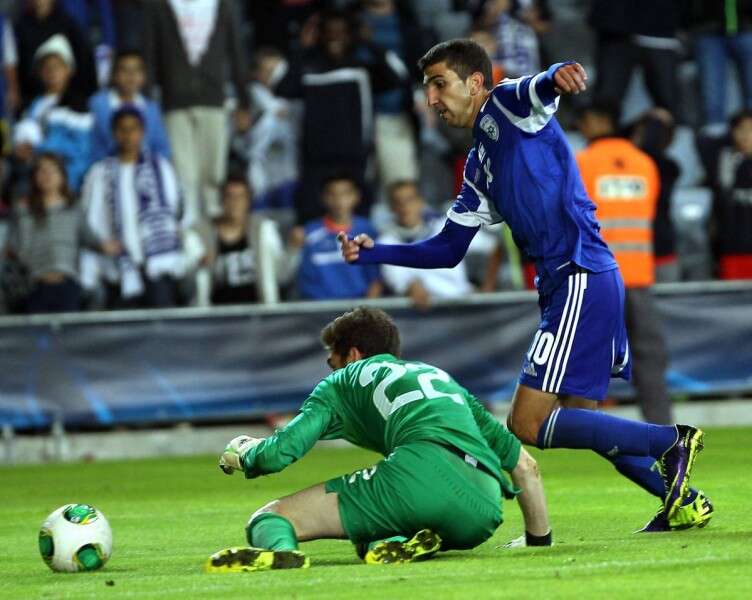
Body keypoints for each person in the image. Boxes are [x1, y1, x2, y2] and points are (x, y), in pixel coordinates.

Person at [339, 39, 711, 532]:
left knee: (526, 423)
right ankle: (681, 499)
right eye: (428, 87)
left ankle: (670, 441)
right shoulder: (478, 164)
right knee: (581, 416)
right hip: (573, 282)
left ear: (475, 82)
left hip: (578, 274)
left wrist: (560, 71)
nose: (431, 98)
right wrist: (376, 252)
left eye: (439, 84)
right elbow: (448, 249)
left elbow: (539, 87)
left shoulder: (506, 103)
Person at [207, 306, 551, 572]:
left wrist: (245, 453)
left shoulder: (341, 382)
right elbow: (525, 466)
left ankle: (283, 554)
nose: (331, 369)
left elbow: (278, 454)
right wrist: (538, 541)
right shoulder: (439, 378)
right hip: (484, 507)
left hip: (416, 475)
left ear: (353, 355)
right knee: (372, 524)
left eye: (333, 361)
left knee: (271, 516)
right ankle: (396, 543)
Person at [575, 100, 673, 426]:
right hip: (639, 278)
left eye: (583, 122)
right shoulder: (645, 164)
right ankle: (660, 426)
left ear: (595, 121)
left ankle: (580, 428)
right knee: (650, 356)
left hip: (596, 279)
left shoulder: (582, 162)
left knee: (585, 356)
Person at [142, 0, 251, 223]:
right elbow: (149, 54)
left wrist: (244, 101)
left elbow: (236, 52)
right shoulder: (159, 6)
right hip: (175, 101)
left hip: (213, 100)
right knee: (183, 173)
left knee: (214, 172)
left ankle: (214, 226)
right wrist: (146, 102)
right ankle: (188, 227)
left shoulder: (223, 6)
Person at [81, 106, 190, 308]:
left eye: (133, 129)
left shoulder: (161, 167)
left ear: (142, 132)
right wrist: (101, 244)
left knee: (162, 321)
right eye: (122, 129)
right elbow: (92, 215)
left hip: (157, 263)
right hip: (119, 266)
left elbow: (177, 208)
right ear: (114, 133)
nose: (128, 135)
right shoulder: (100, 173)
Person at [5, 152, 119, 313]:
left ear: (62, 176)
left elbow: (88, 237)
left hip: (67, 285)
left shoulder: (73, 208)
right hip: (33, 287)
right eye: (41, 170)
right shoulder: (23, 210)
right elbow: (13, 248)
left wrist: (106, 246)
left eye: (53, 170)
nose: (47, 176)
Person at [12, 34, 92, 192]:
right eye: (46, 68)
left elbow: (82, 151)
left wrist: (38, 149)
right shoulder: (31, 106)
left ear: (68, 70)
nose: (52, 72)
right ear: (39, 72)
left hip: (66, 185)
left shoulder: (78, 106)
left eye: (57, 67)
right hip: (33, 183)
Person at [378, 180, 472, 309]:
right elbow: (396, 278)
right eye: (398, 202)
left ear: (421, 202)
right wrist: (410, 285)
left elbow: (489, 246)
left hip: (465, 306)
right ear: (391, 208)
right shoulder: (386, 242)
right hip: (425, 314)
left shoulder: (446, 228)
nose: (404, 206)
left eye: (409, 200)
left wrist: (487, 286)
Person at [294, 175, 381, 301]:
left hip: (361, 307)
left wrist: (366, 307)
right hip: (319, 308)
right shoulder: (308, 233)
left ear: (356, 196)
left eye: (345, 194)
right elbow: (304, 279)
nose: (339, 200)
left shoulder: (369, 230)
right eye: (332, 194)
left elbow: (376, 278)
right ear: (322, 198)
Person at [207, 176, 293, 305]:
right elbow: (187, 286)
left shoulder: (265, 231)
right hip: (216, 314)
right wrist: (198, 267)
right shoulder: (202, 234)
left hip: (258, 312)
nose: (235, 202)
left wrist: (293, 250)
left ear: (248, 200)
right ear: (221, 200)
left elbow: (281, 275)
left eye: (240, 197)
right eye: (230, 196)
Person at [88, 50, 171, 162]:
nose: (131, 76)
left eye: (136, 70)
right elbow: (89, 145)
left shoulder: (152, 109)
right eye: (124, 70)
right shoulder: (96, 105)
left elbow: (162, 148)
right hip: (104, 167)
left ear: (144, 76)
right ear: (114, 75)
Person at [708, 109, 752, 280]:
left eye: (751, 130)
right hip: (732, 249)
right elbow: (703, 140)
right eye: (741, 130)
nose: (746, 136)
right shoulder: (724, 159)